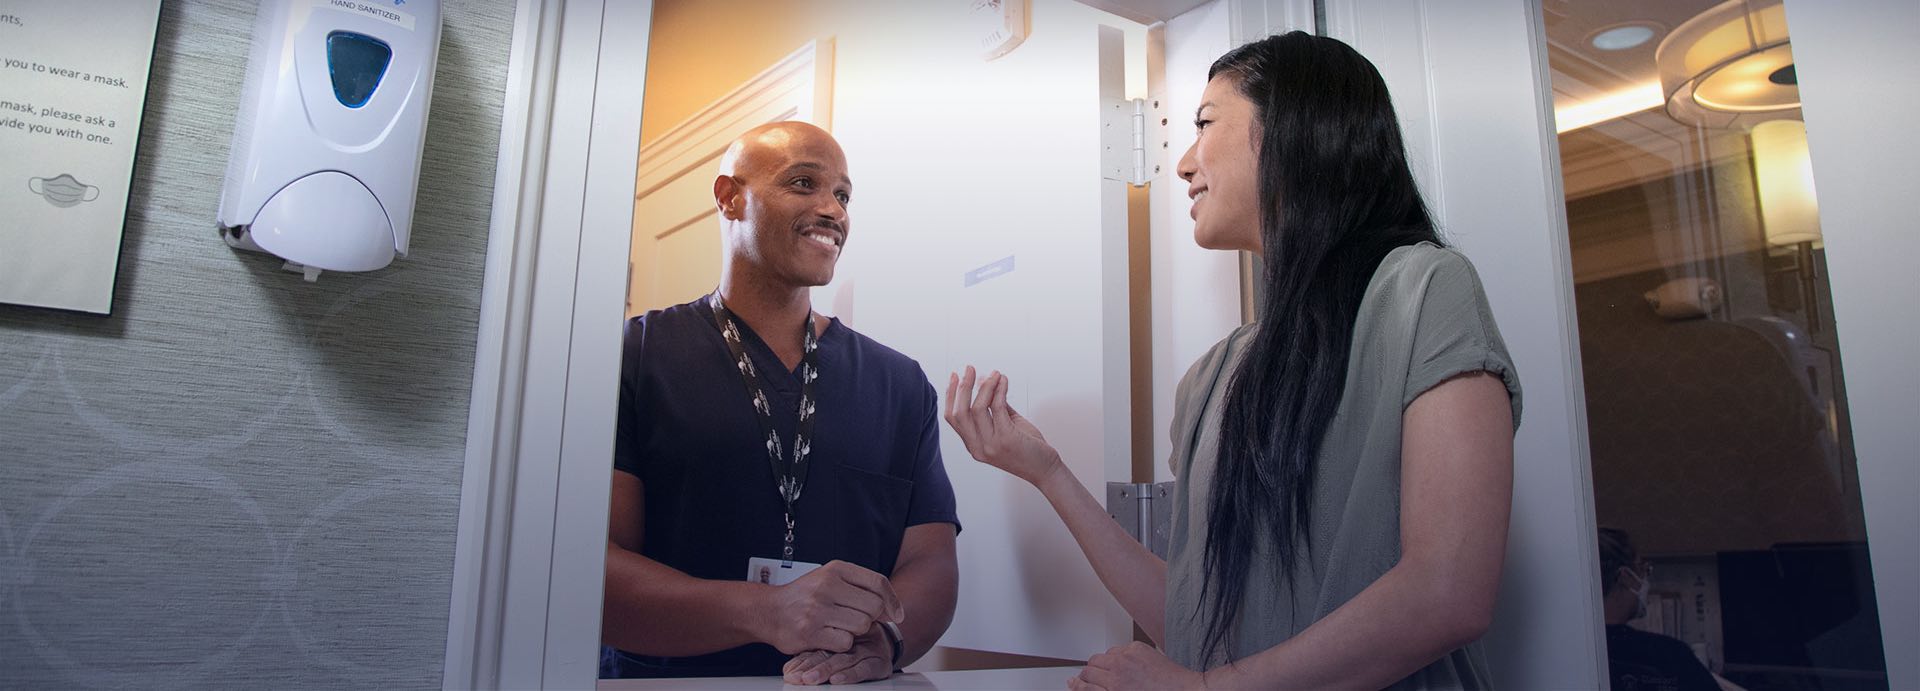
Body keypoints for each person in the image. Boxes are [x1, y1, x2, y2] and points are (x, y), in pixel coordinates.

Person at [944, 32, 1522, 689]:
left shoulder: (1425, 289)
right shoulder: (1209, 379)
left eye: (1204, 123)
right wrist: (1047, 472)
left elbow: (1447, 591)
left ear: (1296, 130)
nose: (1184, 163)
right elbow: (1193, 619)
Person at [602, 121, 960, 684]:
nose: (833, 211)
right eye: (803, 183)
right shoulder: (637, 355)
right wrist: (766, 611)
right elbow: (592, 566)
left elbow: (932, 561)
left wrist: (889, 640)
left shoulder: (900, 385)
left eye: (843, 195)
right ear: (730, 197)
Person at [1598, 528, 1720, 691]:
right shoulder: (1669, 655)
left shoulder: (1571, 653)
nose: (1646, 579)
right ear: (1626, 577)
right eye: (1643, 569)